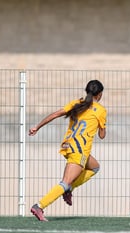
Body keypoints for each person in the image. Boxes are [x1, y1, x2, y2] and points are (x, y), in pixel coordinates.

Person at [29, 80, 107, 221]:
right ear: (100, 94)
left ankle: (69, 189)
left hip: (68, 145)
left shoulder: (77, 103)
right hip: (80, 150)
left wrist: (37, 126)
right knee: (65, 182)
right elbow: (102, 136)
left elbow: (54, 114)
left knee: (94, 167)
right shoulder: (101, 110)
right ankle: (39, 206)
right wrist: (102, 126)